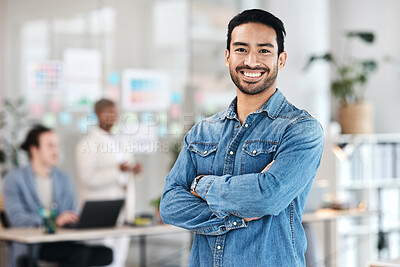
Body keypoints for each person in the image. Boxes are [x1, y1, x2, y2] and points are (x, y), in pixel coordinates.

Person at [160, 9, 324, 266]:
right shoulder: (203, 132)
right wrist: (236, 215)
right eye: (241, 49)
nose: (251, 61)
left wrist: (201, 185)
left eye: (264, 50)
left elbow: (267, 196)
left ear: (281, 60)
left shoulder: (301, 129)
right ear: (227, 57)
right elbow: (170, 205)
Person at [3, 125, 113, 267]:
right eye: (50, 146)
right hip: (36, 244)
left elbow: (72, 210)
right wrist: (54, 221)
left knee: (106, 253)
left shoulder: (63, 178)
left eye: (57, 146)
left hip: (62, 240)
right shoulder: (15, 179)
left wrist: (77, 218)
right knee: (79, 254)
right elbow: (17, 219)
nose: (56, 151)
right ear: (34, 150)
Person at [75, 98, 142, 267]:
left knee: (120, 259)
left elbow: (125, 171)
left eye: (115, 113)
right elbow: (87, 178)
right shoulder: (86, 144)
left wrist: (133, 171)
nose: (113, 117)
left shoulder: (121, 141)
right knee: (103, 259)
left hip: (123, 210)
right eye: (109, 112)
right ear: (98, 114)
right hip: (100, 212)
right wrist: (117, 171)